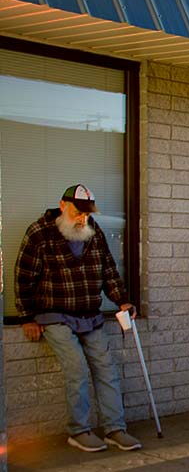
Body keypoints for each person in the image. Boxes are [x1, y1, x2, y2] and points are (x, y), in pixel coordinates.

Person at [14, 184, 142, 452]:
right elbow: (24, 277)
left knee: (106, 368)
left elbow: (108, 269)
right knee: (77, 369)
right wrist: (26, 317)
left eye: (86, 213)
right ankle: (79, 430)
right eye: (77, 212)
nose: (82, 218)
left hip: (89, 314)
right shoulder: (40, 233)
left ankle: (114, 428)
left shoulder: (93, 232)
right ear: (63, 206)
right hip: (54, 314)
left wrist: (122, 299)